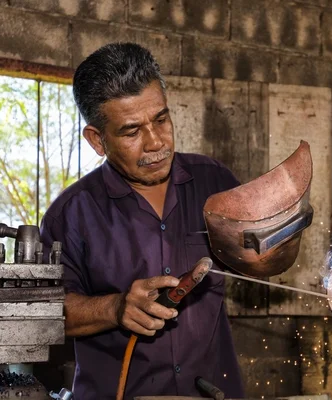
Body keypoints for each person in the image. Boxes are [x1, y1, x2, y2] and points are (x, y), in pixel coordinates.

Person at [40, 42, 245, 399]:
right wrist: (114, 307)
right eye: (132, 131)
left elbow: (258, 258)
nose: (156, 143)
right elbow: (43, 313)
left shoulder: (215, 182)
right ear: (97, 140)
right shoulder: (69, 214)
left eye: (161, 120)